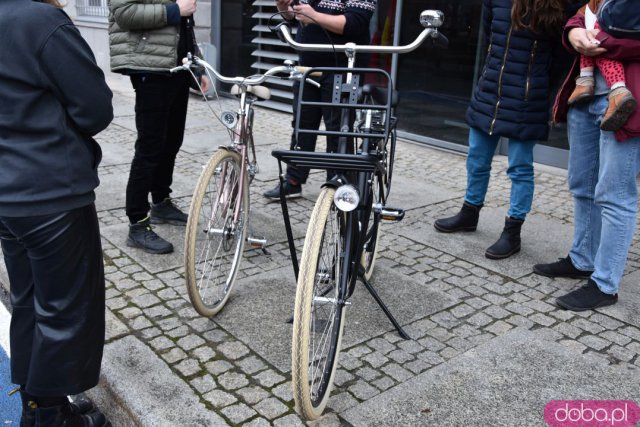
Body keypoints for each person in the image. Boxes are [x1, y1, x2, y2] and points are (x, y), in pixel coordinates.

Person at [0, 0, 113, 424]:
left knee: (29, 300)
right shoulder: (40, 20)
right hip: (50, 190)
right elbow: (95, 108)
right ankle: (49, 417)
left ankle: (38, 403)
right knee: (64, 311)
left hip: (8, 193)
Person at [433, 0, 569, 260]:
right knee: (477, 158)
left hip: (528, 97)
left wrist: (536, 85)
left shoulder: (554, 5)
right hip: (491, 88)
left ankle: (512, 231)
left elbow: (561, 58)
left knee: (519, 167)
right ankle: (469, 213)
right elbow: (490, 39)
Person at [533, 0, 640, 311]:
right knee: (581, 184)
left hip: (626, 98)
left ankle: (605, 284)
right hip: (586, 93)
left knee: (615, 194)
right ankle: (582, 259)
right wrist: (575, 33)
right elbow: (580, 16)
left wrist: (594, 38)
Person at [109, 0, 210, 254]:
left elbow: (185, 26)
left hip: (177, 67)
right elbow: (124, 13)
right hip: (149, 68)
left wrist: (197, 65)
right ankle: (138, 224)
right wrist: (176, 10)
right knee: (150, 147)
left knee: (171, 142)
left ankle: (161, 203)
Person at [263, 0, 377, 200]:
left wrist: (313, 15)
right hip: (307, 68)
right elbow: (294, 16)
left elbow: (354, 25)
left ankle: (338, 182)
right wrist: (283, 7)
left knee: (338, 129)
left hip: (341, 69)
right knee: (302, 125)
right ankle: (293, 180)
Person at [567, 4, 637, 131]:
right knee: (591, 36)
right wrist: (573, 30)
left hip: (626, 98)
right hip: (585, 103)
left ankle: (617, 90)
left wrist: (607, 42)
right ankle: (585, 81)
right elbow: (583, 12)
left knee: (595, 41)